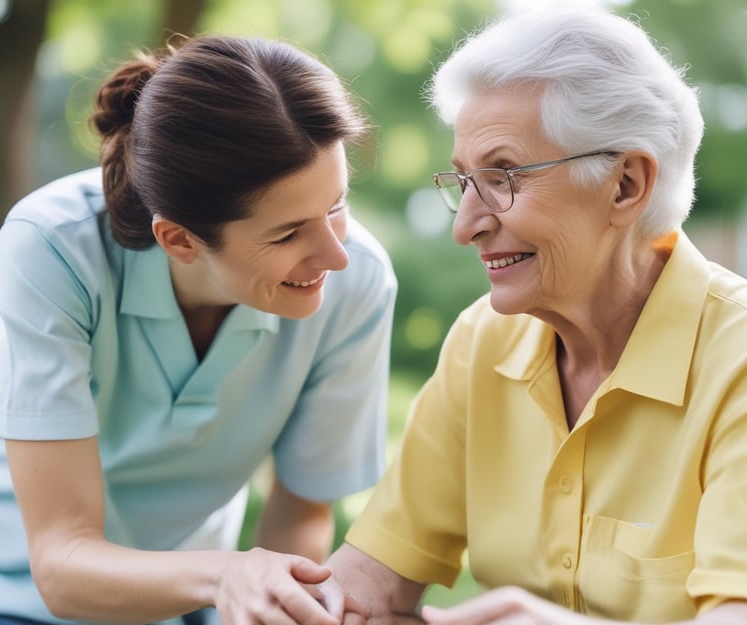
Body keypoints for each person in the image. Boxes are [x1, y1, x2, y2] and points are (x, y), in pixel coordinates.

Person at [271, 6, 747, 625]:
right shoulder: (483, 340)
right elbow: (371, 583)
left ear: (626, 185)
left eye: (504, 176)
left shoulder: (734, 361)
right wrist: (300, 604)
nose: (465, 226)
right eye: (464, 182)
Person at [0, 34, 397, 625]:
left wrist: (272, 603)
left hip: (196, 596)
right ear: (178, 239)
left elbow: (301, 514)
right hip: (9, 593)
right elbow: (60, 562)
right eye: (287, 233)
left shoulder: (359, 285)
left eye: (337, 206)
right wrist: (227, 574)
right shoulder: (54, 247)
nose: (337, 256)